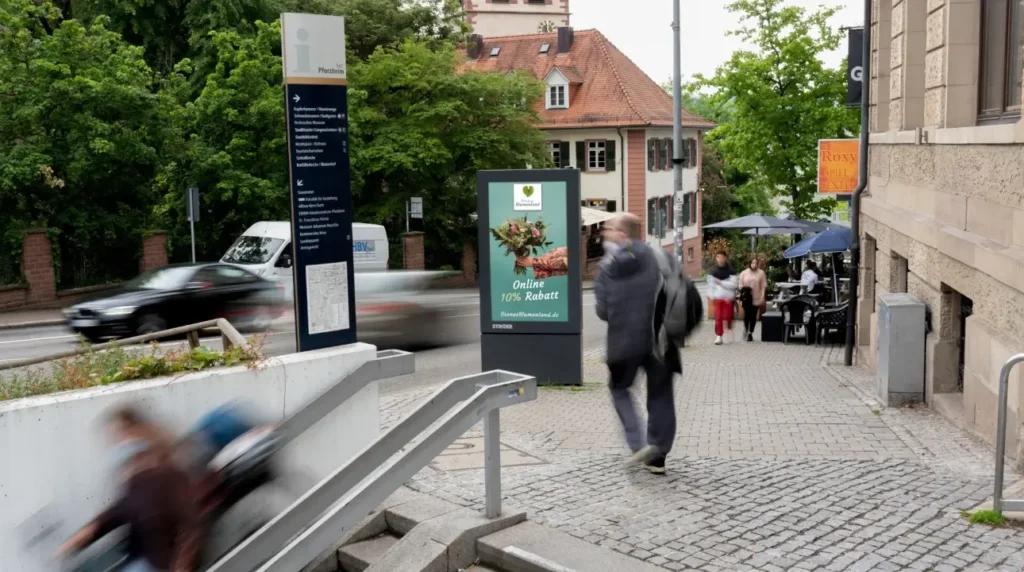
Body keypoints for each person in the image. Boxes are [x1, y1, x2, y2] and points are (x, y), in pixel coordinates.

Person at [59, 406, 203, 572]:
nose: (117, 442)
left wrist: (182, 568)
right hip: (144, 560)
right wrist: (89, 531)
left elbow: (191, 525)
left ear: (138, 431)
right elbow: (124, 509)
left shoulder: (168, 474)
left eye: (120, 434)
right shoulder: (138, 477)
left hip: (162, 564)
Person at [594, 213, 679, 475]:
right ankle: (657, 455)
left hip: (623, 342)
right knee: (661, 394)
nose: (605, 234)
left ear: (622, 235)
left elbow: (603, 311)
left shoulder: (607, 266)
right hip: (660, 340)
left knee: (620, 389)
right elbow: (679, 292)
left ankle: (638, 442)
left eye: (609, 229)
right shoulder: (660, 257)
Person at [707, 251, 738, 345]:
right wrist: (711, 296)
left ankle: (728, 328)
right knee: (719, 317)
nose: (720, 259)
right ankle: (719, 336)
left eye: (721, 257)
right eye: (717, 257)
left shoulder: (731, 270)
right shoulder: (712, 271)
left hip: (728, 297)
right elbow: (711, 285)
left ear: (725, 258)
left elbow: (733, 285)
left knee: (728, 316)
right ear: (716, 258)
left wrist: (721, 283)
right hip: (718, 297)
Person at [738, 257, 767, 342]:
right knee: (747, 315)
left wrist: (762, 296)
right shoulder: (744, 273)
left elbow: (763, 286)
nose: (754, 265)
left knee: (753, 316)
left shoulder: (761, 273)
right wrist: (743, 291)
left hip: (756, 297)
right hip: (747, 298)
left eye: (755, 263)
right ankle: (746, 329)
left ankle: (751, 332)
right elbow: (740, 284)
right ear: (749, 263)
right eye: (752, 263)